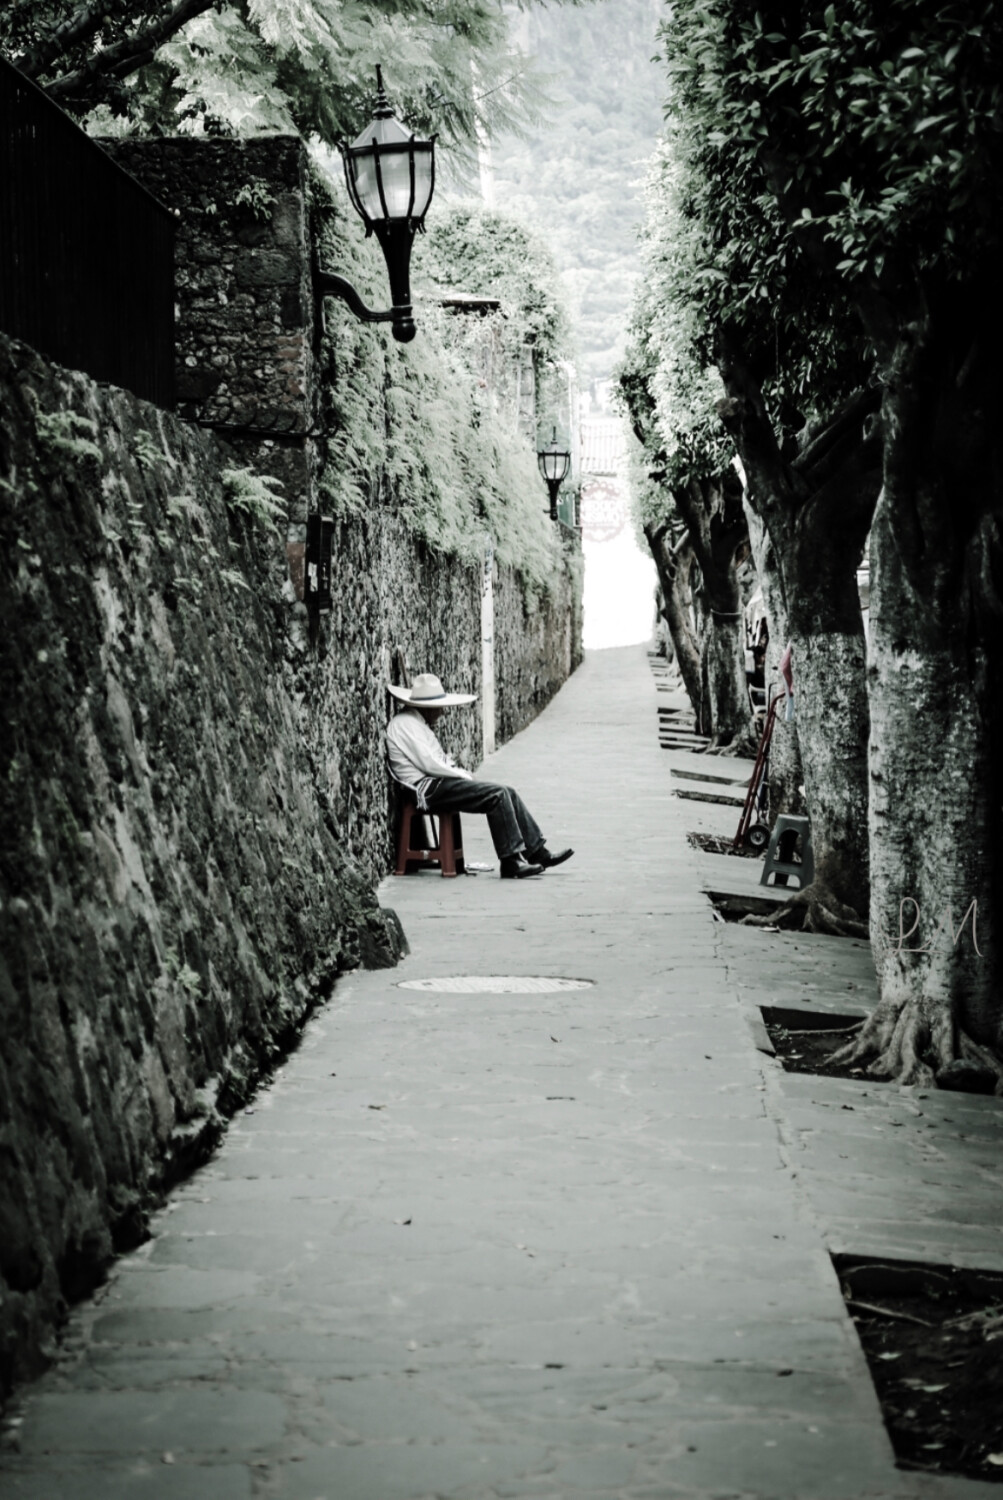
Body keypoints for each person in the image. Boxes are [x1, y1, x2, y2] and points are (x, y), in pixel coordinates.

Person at [386, 673, 573, 880]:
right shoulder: (406, 725)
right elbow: (429, 763)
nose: (441, 712)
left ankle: (537, 851)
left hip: (434, 783)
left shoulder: (414, 723)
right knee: (497, 795)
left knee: (507, 791)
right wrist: (464, 777)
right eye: (439, 707)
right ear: (426, 708)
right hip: (426, 789)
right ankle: (510, 861)